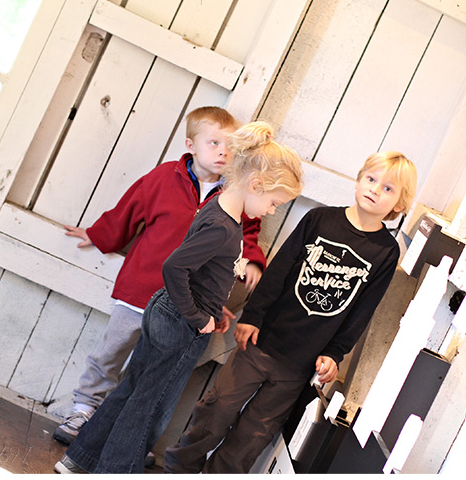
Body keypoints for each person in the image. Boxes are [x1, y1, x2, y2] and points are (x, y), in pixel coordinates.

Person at [54, 122, 303, 474]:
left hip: (175, 314)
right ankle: (114, 470)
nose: (272, 210)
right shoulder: (222, 226)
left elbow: (203, 273)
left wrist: (214, 306)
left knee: (133, 388)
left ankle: (80, 457)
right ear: (256, 184)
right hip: (181, 323)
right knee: (146, 402)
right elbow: (174, 268)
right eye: (274, 203)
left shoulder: (221, 212)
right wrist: (199, 317)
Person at [164, 151, 417, 474]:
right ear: (358, 179)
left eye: (388, 188)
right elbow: (280, 270)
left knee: (253, 435)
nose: (375, 189)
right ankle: (177, 469)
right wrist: (252, 316)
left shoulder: (386, 252)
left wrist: (334, 353)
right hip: (261, 341)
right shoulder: (319, 219)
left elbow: (362, 311)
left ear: (399, 203)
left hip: (299, 366)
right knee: (216, 411)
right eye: (371, 179)